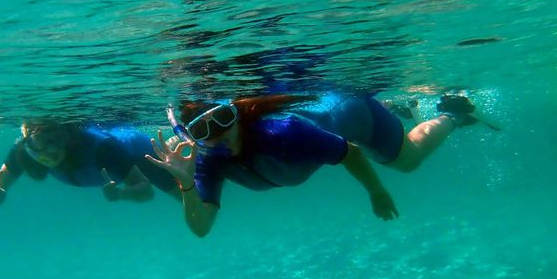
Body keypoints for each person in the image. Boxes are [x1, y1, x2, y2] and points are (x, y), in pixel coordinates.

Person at [146, 92, 480, 237]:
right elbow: (202, 228)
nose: (218, 136)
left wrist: (376, 191)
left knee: (406, 161)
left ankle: (453, 113)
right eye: (204, 131)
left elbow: (350, 152)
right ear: (193, 138)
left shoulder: (284, 133)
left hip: (355, 114)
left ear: (236, 113)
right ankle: (395, 108)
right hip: (324, 115)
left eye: (222, 119)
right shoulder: (208, 162)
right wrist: (186, 183)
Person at [0, 121, 178, 206]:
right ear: (29, 144)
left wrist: (121, 194)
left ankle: (169, 147)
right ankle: (170, 145)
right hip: (117, 147)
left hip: (138, 152)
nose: (51, 151)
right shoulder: (24, 152)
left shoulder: (103, 149)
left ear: (68, 137)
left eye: (56, 140)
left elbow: (145, 191)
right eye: (41, 142)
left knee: (192, 198)